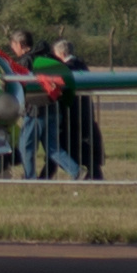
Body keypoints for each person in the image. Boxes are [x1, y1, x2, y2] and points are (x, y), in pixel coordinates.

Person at [10, 29, 84, 180]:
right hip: (54, 108)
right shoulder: (49, 57)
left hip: (35, 111)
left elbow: (19, 85)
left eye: (13, 45)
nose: (13, 49)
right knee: (52, 147)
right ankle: (76, 171)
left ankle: (30, 178)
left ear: (20, 44)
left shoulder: (26, 61)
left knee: (26, 146)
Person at [52, 39, 104, 180]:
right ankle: (94, 173)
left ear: (61, 54)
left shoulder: (66, 69)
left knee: (65, 145)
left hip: (72, 112)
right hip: (85, 110)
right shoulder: (82, 65)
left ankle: (78, 171)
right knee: (82, 145)